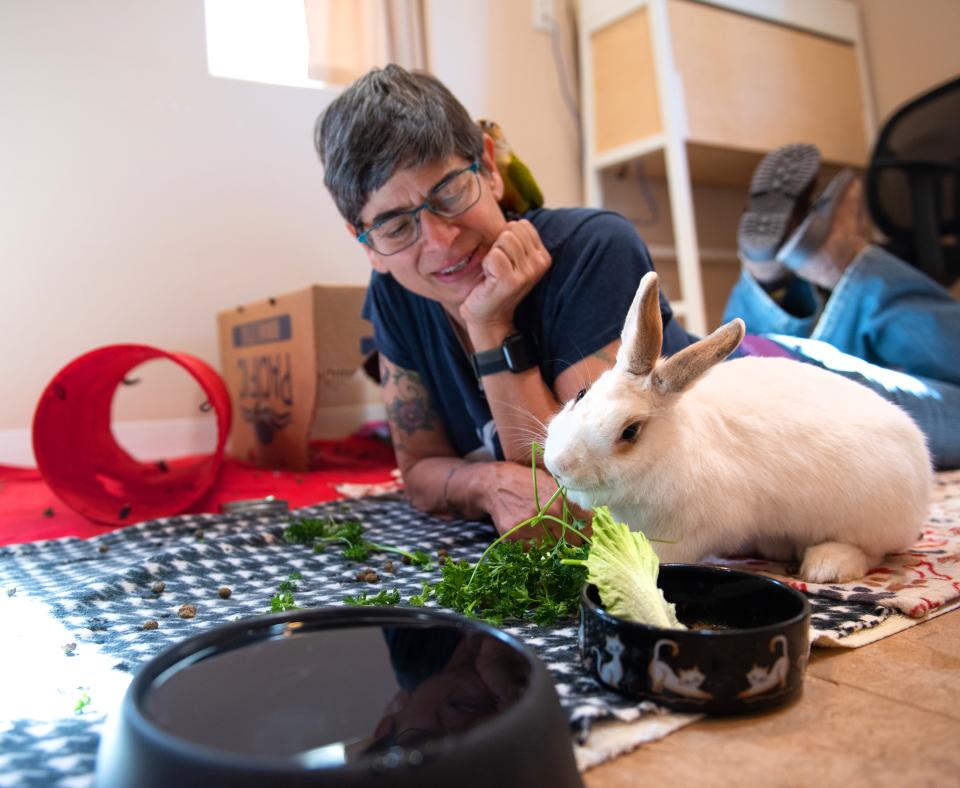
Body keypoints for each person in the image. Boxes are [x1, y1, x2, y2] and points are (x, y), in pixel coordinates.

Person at [315, 64, 694, 537]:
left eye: (449, 194)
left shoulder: (596, 248)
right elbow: (418, 470)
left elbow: (587, 493)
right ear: (366, 244)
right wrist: (489, 483)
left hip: (759, 388)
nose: (441, 240)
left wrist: (490, 324)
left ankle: (772, 273)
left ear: (489, 169)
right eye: (395, 227)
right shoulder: (394, 291)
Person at [724, 143, 960, 470]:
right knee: (750, 367)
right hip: (745, 388)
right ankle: (770, 283)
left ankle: (836, 269)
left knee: (759, 374)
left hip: (752, 403)